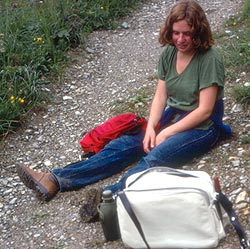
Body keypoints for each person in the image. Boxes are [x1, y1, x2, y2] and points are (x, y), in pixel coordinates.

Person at [16, 0, 231, 213]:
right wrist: (150, 128)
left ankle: (111, 199)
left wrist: (166, 133)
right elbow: (160, 95)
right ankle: (56, 179)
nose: (181, 39)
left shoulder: (209, 58)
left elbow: (205, 110)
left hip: (202, 126)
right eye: (176, 33)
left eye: (188, 34)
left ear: (199, 32)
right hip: (172, 117)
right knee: (124, 145)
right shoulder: (169, 53)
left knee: (155, 157)